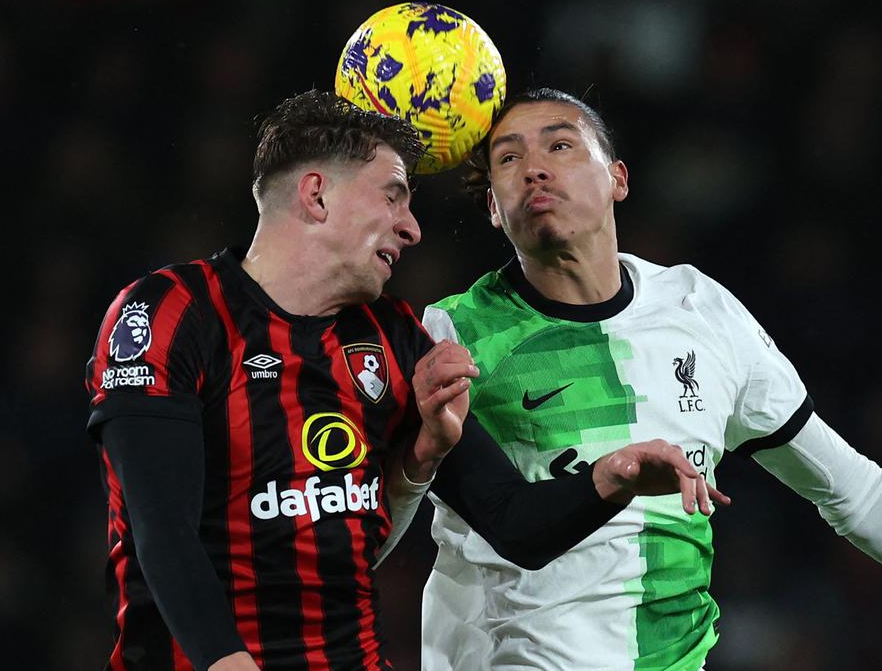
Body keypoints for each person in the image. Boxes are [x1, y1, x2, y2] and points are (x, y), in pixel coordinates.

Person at [418, 88, 882, 669]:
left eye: (558, 144)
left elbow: (848, 487)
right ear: (490, 205)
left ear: (616, 179)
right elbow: (481, 522)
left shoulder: (700, 312)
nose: (534, 168)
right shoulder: (450, 336)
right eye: (507, 159)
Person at [83, 89, 725, 671]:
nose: (412, 227)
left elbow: (517, 526)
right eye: (393, 194)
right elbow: (160, 532)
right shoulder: (170, 312)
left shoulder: (393, 338)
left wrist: (610, 475)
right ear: (316, 196)